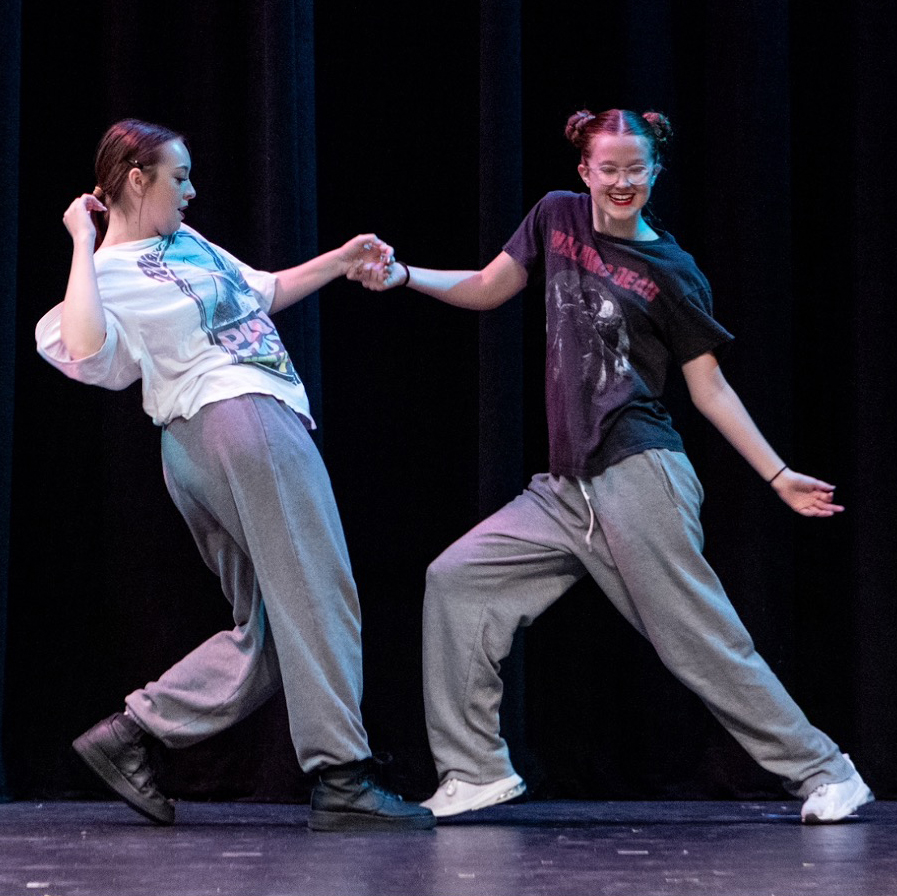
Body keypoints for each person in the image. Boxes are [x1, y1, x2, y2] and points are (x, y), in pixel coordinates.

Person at [355, 108, 874, 824]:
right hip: (566, 488)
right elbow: (486, 287)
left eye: (636, 169)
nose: (621, 181)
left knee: (695, 639)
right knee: (457, 579)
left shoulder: (672, 271)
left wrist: (776, 473)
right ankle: (474, 770)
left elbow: (708, 387)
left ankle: (825, 770)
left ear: (654, 171)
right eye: (609, 168)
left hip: (639, 472)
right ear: (584, 171)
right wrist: (404, 275)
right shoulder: (555, 217)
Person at [35, 118, 434, 833]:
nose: (191, 190)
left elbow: (262, 291)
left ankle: (133, 734)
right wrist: (83, 243)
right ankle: (342, 779)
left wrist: (339, 261)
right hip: (232, 418)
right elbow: (87, 349)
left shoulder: (189, 245)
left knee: (276, 628)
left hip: (221, 435)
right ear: (135, 180)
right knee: (319, 589)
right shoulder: (108, 273)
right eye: (178, 177)